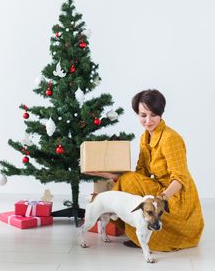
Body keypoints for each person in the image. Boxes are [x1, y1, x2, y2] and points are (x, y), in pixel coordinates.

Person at [87, 89, 204, 251]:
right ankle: (138, 229)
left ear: (161, 114)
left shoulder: (171, 138)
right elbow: (140, 174)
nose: (148, 120)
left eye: (153, 115)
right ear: (137, 115)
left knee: (129, 179)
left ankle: (144, 234)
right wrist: (105, 174)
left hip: (176, 196)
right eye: (143, 115)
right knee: (129, 179)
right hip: (158, 188)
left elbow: (180, 179)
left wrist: (161, 199)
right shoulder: (145, 137)